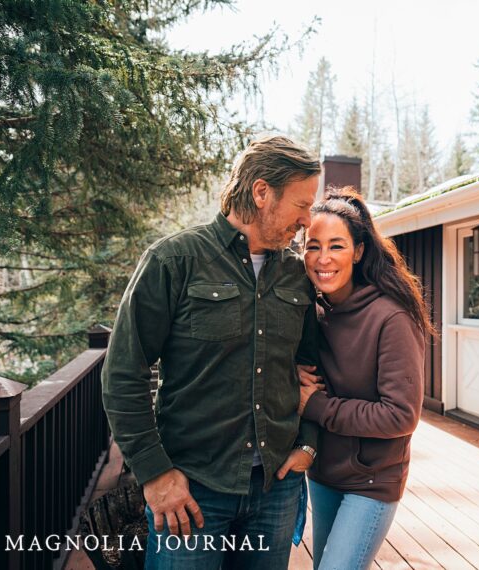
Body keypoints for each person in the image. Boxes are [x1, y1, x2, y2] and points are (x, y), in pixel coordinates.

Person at [101, 135, 322, 570]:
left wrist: (308, 447)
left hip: (274, 490)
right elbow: (123, 374)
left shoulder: (297, 276)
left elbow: (310, 368)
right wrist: (154, 473)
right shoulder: (173, 261)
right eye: (301, 204)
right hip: (190, 492)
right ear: (262, 193)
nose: (307, 220)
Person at [297, 186, 433, 570]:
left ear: (358, 251)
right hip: (323, 474)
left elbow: (400, 416)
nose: (323, 258)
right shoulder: (311, 311)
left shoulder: (391, 318)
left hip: (371, 483)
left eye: (336, 246)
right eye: (313, 245)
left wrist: (316, 406)